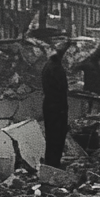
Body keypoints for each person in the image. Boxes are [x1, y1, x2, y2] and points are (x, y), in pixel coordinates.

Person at [41, 40, 71, 168]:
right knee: (57, 137)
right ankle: (53, 164)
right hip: (56, 107)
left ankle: (51, 163)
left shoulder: (48, 65)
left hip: (49, 105)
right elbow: (61, 88)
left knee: (51, 136)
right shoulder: (56, 68)